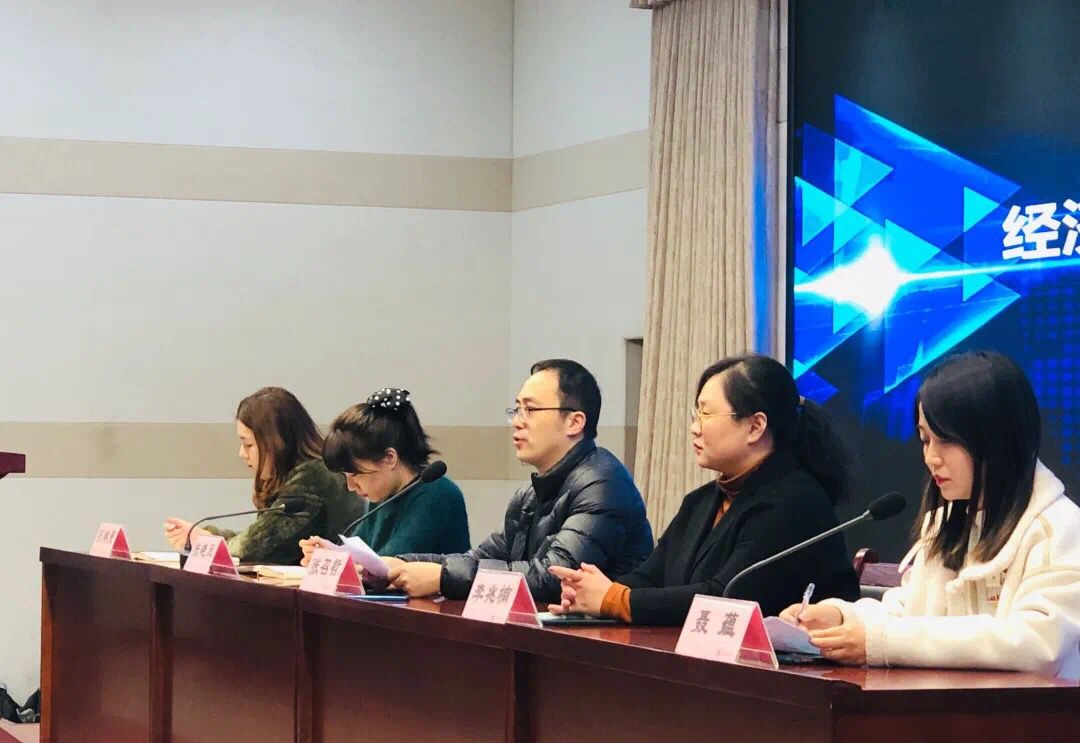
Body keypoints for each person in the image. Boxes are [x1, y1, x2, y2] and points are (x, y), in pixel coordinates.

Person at [781, 351, 1080, 679]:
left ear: (999, 439)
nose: (931, 458)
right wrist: (839, 618)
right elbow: (910, 612)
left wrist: (881, 642)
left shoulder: (1060, 528)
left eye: (947, 440)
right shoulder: (946, 524)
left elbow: (1037, 642)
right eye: (925, 440)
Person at [549, 354, 860, 625]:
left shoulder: (795, 501)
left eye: (706, 414)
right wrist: (592, 591)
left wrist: (616, 600)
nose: (695, 427)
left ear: (755, 426)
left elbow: (727, 597)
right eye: (695, 414)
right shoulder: (700, 501)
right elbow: (652, 576)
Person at [384, 359, 654, 602]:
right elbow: (480, 558)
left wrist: (443, 577)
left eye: (530, 410)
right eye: (516, 410)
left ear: (574, 422)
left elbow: (554, 576)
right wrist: (399, 564)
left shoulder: (603, 484)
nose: (516, 422)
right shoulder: (530, 495)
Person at [163, 387, 363, 564]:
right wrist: (207, 535)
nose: (241, 453)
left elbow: (259, 548)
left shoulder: (313, 476)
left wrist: (205, 540)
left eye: (248, 444)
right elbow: (261, 536)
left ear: (276, 442)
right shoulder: (299, 473)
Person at [299, 388, 470, 563]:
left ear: (390, 458)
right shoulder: (383, 495)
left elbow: (390, 563)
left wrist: (341, 558)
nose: (351, 486)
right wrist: (329, 553)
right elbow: (363, 554)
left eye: (356, 474)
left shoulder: (438, 494)